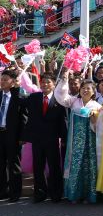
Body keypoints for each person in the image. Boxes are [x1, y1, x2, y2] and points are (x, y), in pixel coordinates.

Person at [55, 70, 101, 203]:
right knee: (75, 165)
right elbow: (60, 96)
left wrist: (94, 118)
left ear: (93, 92)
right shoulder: (73, 101)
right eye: (83, 88)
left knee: (89, 165)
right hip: (74, 142)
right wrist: (64, 80)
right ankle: (74, 194)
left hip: (90, 142)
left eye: (88, 89)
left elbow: (99, 126)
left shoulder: (97, 106)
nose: (85, 90)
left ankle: (89, 194)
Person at [22, 73, 66, 202]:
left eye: (48, 82)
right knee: (38, 167)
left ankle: (56, 193)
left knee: (54, 167)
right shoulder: (33, 97)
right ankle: (39, 194)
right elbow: (22, 106)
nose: (45, 84)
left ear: (54, 84)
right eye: (43, 82)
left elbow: (63, 121)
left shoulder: (59, 99)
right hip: (37, 139)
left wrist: (63, 138)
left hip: (53, 139)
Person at [0, 69, 27, 202]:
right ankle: (2, 191)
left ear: (12, 82)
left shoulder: (18, 96)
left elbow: (24, 118)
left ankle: (15, 192)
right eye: (1, 79)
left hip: (12, 135)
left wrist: (22, 137)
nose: (2, 81)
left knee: (13, 164)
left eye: (5, 79)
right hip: (0, 134)